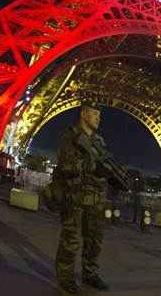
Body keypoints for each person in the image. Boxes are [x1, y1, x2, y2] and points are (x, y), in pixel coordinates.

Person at [53, 103, 111, 293]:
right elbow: (64, 166)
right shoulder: (70, 136)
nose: (98, 118)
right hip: (75, 196)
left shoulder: (100, 141)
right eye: (95, 114)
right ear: (84, 114)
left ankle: (90, 273)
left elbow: (105, 166)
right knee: (71, 240)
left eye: (100, 116)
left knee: (95, 239)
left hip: (95, 198)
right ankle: (65, 278)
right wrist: (91, 167)